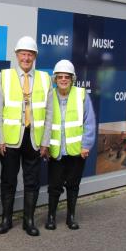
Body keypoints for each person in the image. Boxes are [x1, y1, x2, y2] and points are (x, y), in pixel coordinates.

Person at [0, 36, 53, 236]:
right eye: (23, 54)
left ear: (35, 56)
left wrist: (45, 142)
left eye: (30, 54)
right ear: (17, 55)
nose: (26, 58)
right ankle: (6, 220)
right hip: (10, 140)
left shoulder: (45, 78)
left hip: (34, 139)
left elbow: (49, 114)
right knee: (8, 180)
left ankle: (29, 221)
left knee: (32, 181)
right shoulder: (4, 76)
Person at [44, 59, 96, 231]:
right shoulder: (49, 96)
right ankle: (51, 217)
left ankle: (70, 217)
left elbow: (89, 122)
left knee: (73, 185)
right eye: (60, 77)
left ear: (72, 78)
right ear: (55, 79)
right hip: (55, 151)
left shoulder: (81, 95)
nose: (63, 80)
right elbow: (43, 123)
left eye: (67, 77)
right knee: (54, 186)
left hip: (76, 151)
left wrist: (86, 145)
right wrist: (45, 146)